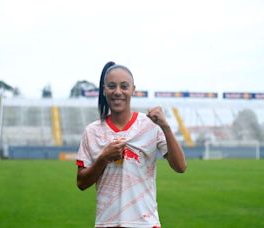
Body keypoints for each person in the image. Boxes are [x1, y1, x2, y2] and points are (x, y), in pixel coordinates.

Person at [76, 61, 187, 227]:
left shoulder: (150, 125)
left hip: (145, 223)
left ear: (133, 89)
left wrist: (165, 126)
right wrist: (104, 158)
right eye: (112, 86)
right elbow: (81, 183)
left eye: (124, 86)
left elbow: (180, 167)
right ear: (104, 89)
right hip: (107, 223)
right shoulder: (92, 131)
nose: (118, 92)